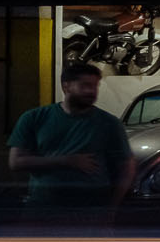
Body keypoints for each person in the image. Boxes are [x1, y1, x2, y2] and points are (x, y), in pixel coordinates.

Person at [8, 61, 134, 223]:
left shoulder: (109, 123)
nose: (91, 91)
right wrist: (66, 161)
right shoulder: (34, 118)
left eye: (95, 86)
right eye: (85, 85)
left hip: (90, 212)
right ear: (66, 87)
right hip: (43, 209)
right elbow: (16, 162)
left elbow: (126, 167)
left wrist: (111, 208)